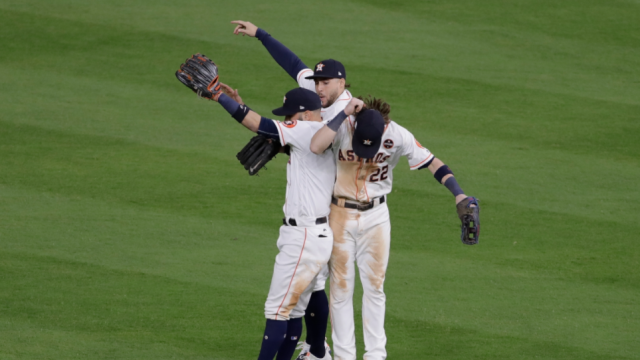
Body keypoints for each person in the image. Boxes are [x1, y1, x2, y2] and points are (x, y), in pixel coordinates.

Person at [231, 20, 355, 360]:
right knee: (303, 299)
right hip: (316, 226)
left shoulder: (332, 115)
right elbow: (294, 65)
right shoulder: (315, 98)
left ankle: (317, 351)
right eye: (316, 82)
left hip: (320, 222)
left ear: (340, 84)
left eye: (324, 82)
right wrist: (261, 34)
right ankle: (316, 352)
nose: (318, 86)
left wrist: (219, 98)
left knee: (280, 308)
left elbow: (257, 122)